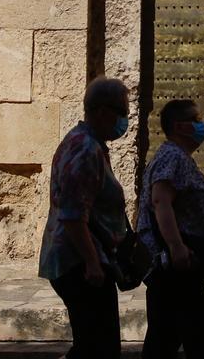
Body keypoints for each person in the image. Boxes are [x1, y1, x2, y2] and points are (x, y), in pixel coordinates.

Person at [38, 77, 132, 359]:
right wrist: (92, 261)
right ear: (104, 112)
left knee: (90, 345)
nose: (125, 120)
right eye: (123, 112)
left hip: (81, 259)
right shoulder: (85, 149)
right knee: (100, 348)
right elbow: (72, 214)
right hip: (80, 263)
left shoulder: (87, 143)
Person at [137, 99, 204, 359]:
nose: (201, 125)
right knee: (202, 338)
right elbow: (161, 200)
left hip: (178, 268)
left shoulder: (176, 157)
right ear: (180, 126)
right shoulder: (173, 156)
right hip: (176, 269)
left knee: (165, 338)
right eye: (196, 120)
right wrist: (176, 247)